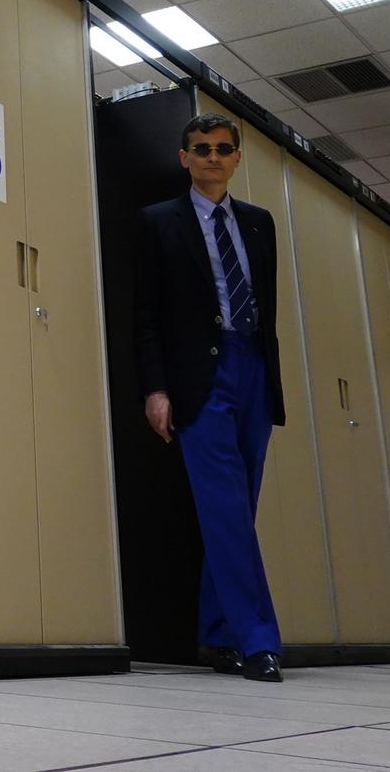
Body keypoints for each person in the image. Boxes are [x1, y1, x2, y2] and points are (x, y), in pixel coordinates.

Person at [133, 112, 286, 683]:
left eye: (223, 149)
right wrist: (156, 387)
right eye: (202, 149)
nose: (213, 157)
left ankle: (217, 634)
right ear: (184, 158)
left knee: (239, 509)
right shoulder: (158, 222)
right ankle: (257, 641)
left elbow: (267, 306)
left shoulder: (259, 223)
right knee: (225, 508)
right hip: (199, 378)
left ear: (237, 159)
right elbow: (146, 314)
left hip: (254, 370)